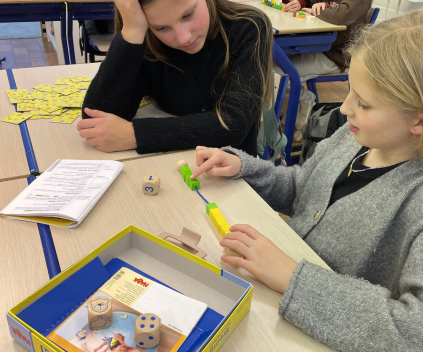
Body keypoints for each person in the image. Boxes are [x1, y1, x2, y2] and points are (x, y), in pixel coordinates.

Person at [190, 10, 423, 352]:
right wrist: (244, 167)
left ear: (417, 121)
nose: (344, 109)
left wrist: (292, 277)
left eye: (365, 103)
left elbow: (412, 331)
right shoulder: (354, 137)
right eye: (350, 91)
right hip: (277, 301)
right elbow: (303, 188)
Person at [77, 0, 273, 156]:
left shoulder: (250, 25)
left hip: (235, 171)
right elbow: (95, 120)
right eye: (162, 28)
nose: (183, 38)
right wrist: (132, 30)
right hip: (170, 162)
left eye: (188, 15)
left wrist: (134, 134)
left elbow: (233, 125)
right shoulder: (147, 37)